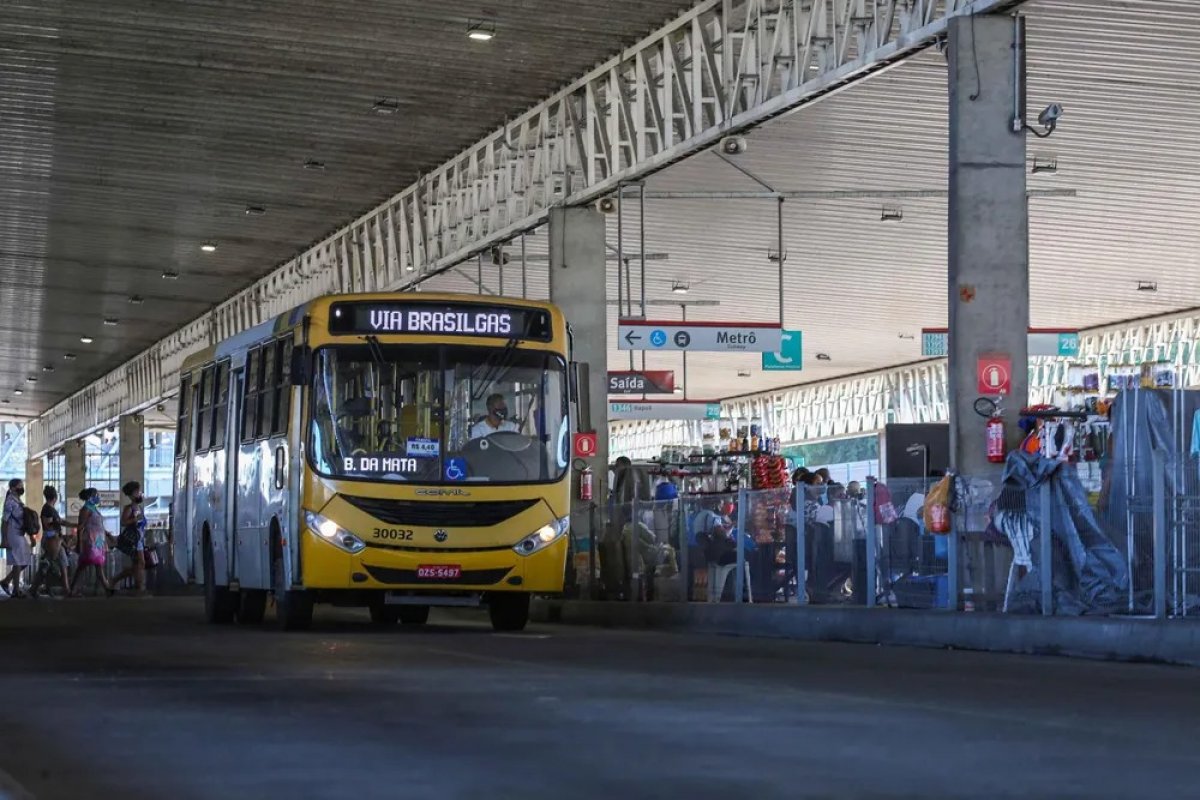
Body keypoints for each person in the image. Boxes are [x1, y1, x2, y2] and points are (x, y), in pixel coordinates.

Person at [70, 488, 114, 597]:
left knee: (96, 563)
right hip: (90, 539)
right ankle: (73, 589)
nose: (98, 497)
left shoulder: (94, 509)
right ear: (90, 497)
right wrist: (79, 543)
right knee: (87, 564)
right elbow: (81, 527)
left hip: (98, 540)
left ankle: (105, 588)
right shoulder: (85, 509)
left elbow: (100, 526)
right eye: (96, 495)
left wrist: (108, 535)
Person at [30, 485, 70, 598]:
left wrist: (72, 524)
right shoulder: (47, 509)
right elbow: (47, 526)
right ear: (55, 497)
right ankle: (66, 589)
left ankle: (38, 588)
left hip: (55, 540)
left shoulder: (50, 509)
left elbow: (59, 521)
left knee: (47, 565)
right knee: (61, 563)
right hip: (52, 540)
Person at [111, 481, 148, 595]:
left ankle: (136, 584)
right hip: (133, 540)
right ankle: (139, 586)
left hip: (139, 539)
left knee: (138, 564)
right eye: (137, 492)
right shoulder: (129, 508)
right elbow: (123, 522)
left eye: (139, 491)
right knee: (140, 563)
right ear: (131, 495)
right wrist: (134, 520)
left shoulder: (139, 508)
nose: (139, 494)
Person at [0, 479, 32, 598]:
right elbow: (4, 521)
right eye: (19, 486)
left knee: (25, 560)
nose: (22, 488)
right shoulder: (10, 501)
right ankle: (16, 590)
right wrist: (4, 539)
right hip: (12, 534)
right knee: (18, 562)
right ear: (13, 488)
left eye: (22, 485)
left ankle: (6, 581)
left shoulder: (18, 500)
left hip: (20, 533)